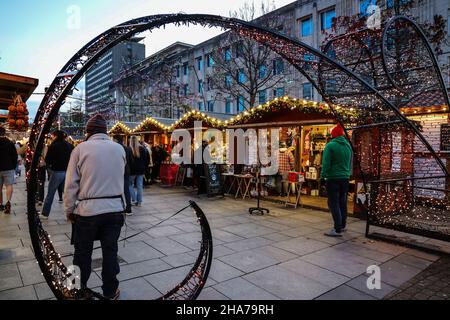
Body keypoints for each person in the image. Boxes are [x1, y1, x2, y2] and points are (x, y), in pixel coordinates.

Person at [64, 114, 126, 300]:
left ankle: (75, 290)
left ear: (88, 132)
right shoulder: (119, 149)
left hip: (87, 210)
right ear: (105, 131)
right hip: (114, 208)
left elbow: (71, 185)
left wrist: (69, 210)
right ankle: (110, 290)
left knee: (82, 253)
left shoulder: (80, 149)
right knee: (110, 251)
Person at [321, 124, 353, 237]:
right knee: (342, 202)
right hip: (345, 178)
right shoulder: (348, 146)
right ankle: (343, 226)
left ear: (333, 135)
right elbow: (349, 162)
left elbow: (326, 164)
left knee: (333, 203)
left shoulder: (330, 146)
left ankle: (337, 229)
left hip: (333, 178)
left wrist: (322, 176)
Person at [39, 131, 73, 219]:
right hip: (68, 171)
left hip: (57, 171)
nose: (52, 137)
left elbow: (48, 160)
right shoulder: (69, 145)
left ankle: (45, 213)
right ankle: (71, 213)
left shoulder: (53, 146)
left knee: (51, 192)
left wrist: (51, 164)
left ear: (56, 136)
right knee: (68, 193)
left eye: (53, 136)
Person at [0, 126, 18, 214]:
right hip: (8, 167)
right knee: (9, 185)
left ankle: (0, 204)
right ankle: (8, 203)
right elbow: (15, 156)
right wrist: (14, 166)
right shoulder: (9, 143)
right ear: (4, 133)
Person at [129, 136, 149, 206]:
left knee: (129, 184)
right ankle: (139, 202)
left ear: (130, 141)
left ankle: (134, 199)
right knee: (139, 186)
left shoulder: (129, 149)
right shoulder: (143, 149)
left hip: (132, 171)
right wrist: (144, 169)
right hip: (141, 170)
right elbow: (146, 160)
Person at [114, 136, 133, 215]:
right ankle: (128, 208)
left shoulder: (115, 148)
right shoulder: (128, 148)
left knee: (117, 190)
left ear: (116, 140)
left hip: (118, 171)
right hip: (126, 171)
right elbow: (131, 160)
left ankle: (119, 207)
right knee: (126, 190)